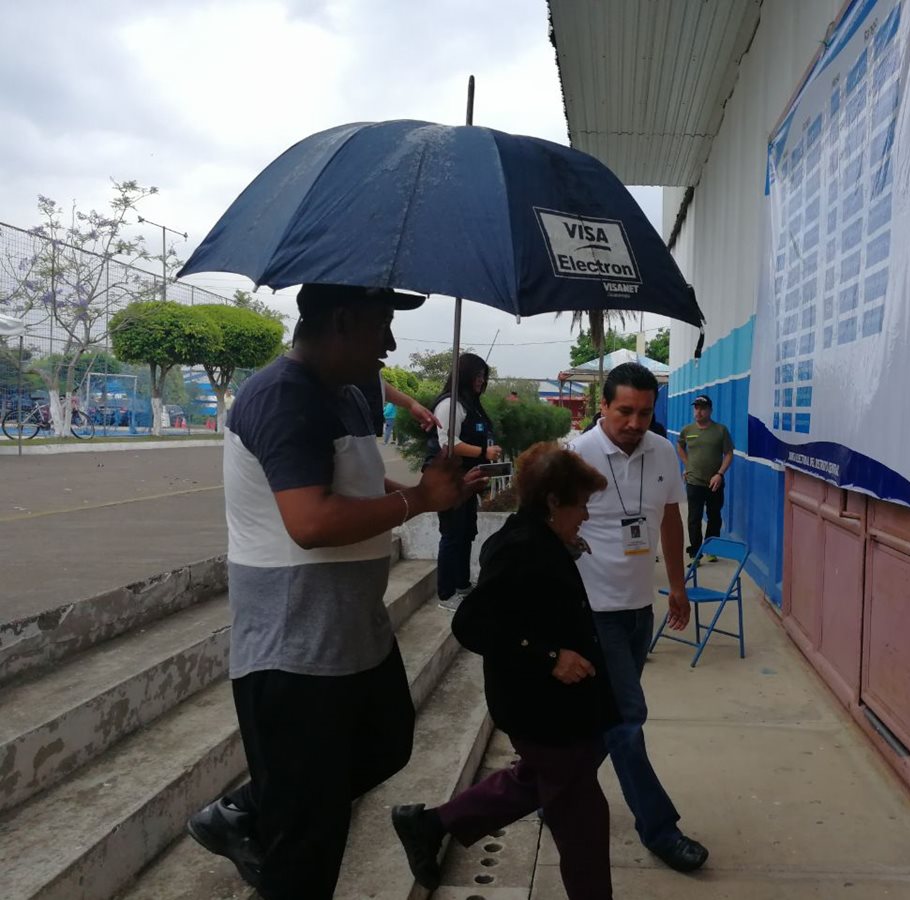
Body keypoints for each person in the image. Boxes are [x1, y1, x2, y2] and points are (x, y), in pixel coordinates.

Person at [185, 283, 484, 899]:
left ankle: (247, 809)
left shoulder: (346, 394)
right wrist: (418, 501)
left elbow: (358, 484)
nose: (391, 343)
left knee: (388, 742)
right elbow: (312, 522)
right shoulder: (282, 397)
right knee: (307, 853)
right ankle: (261, 815)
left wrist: (426, 486)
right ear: (342, 321)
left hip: (352, 634)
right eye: (382, 325)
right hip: (296, 650)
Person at [391, 443, 618, 900]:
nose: (586, 517)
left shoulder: (542, 539)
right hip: (544, 712)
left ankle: (433, 823)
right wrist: (550, 657)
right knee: (583, 824)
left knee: (536, 780)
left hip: (560, 709)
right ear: (553, 501)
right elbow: (471, 623)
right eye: (581, 505)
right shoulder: (522, 547)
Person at [567, 362, 709, 873]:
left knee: (603, 721)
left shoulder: (664, 451)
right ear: (602, 407)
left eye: (644, 412)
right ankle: (659, 828)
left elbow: (670, 518)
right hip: (592, 611)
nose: (634, 421)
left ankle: (544, 788)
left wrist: (677, 586)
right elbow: (552, 533)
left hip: (637, 610)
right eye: (624, 410)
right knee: (627, 720)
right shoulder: (577, 456)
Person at [426, 352, 501, 611]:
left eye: (484, 376)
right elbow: (449, 443)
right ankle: (446, 594)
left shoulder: (471, 405)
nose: (481, 381)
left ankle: (462, 584)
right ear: (466, 375)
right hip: (451, 478)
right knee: (452, 535)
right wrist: (483, 453)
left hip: (469, 481)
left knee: (466, 532)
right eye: (478, 375)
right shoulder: (450, 404)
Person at [676, 394, 734, 563]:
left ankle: (711, 549)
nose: (698, 412)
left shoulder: (720, 430)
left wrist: (720, 474)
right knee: (694, 517)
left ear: (710, 410)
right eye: (696, 408)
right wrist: (687, 465)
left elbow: (729, 453)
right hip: (694, 481)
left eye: (702, 408)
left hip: (714, 483)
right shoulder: (687, 430)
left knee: (714, 516)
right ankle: (695, 552)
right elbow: (679, 445)